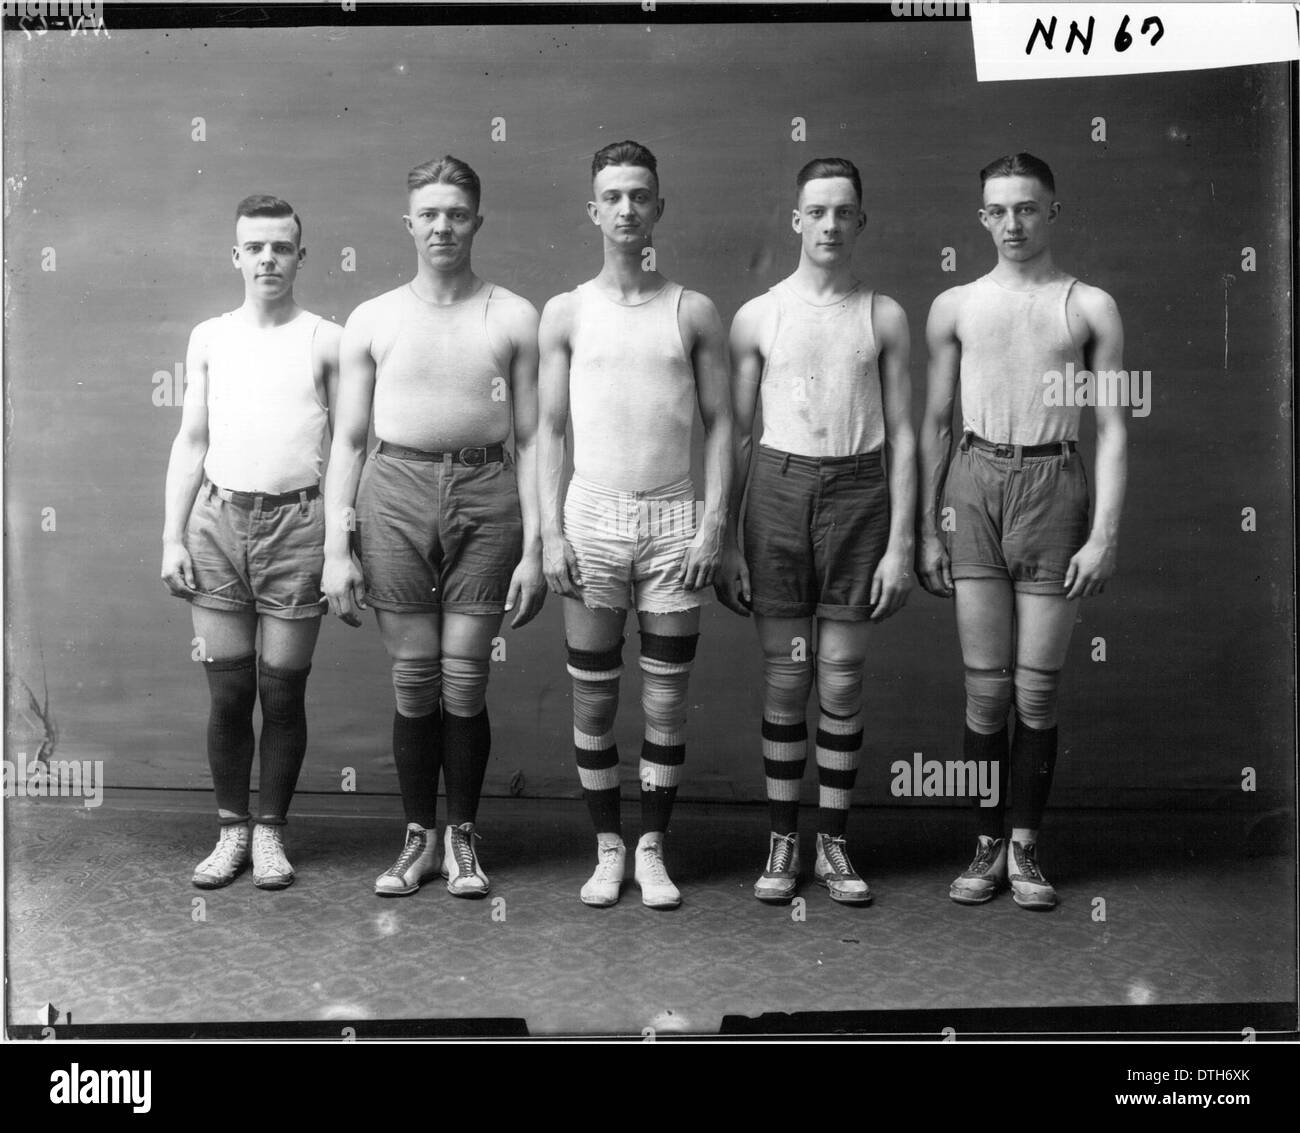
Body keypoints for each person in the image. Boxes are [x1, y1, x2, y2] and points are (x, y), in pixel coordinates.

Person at [322, 156, 545, 898]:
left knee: (466, 676)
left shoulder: (514, 314)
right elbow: (348, 441)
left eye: (457, 212)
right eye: (430, 213)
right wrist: (335, 547)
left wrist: (537, 548)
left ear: (477, 220)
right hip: (395, 486)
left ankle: (463, 836)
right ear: (409, 222)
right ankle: (418, 833)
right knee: (416, 678)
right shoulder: (374, 318)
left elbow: (539, 437)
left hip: (488, 487)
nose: (443, 225)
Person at [916, 152, 1127, 910]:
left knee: (1035, 694)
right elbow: (935, 423)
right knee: (984, 693)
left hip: (1053, 483)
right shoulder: (957, 305)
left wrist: (1103, 532)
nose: (1013, 223)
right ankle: (985, 841)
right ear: (982, 217)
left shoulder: (1088, 305)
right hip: (973, 484)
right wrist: (929, 528)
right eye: (999, 210)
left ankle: (1027, 845)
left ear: (1053, 211)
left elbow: (1111, 427)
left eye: (1027, 208)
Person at [538, 140, 732, 909]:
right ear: (593, 210)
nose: (626, 209)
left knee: (664, 699)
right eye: (612, 196)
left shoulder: (693, 309)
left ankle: (652, 845)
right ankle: (606, 844)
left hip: (674, 515)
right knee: (592, 697)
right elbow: (548, 430)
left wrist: (714, 523)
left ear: (659, 207)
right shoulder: (567, 311)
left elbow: (721, 424)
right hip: (591, 515)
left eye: (639, 195)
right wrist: (552, 532)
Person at [718, 158, 915, 905]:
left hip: (860, 491)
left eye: (844, 212)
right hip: (778, 489)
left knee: (840, 675)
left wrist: (901, 541)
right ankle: (781, 839)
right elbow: (736, 435)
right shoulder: (759, 314)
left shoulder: (883, 314)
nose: (830, 224)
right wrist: (730, 537)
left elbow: (906, 433)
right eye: (817, 211)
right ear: (795, 219)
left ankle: (832, 840)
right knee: (785, 676)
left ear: (861, 221)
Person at [162, 194, 342, 891]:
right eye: (256, 247)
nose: (269, 258)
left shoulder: (327, 337)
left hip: (297, 526)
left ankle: (271, 833)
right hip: (217, 523)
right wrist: (171, 535)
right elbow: (193, 439)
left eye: (282, 246)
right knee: (230, 695)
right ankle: (231, 830)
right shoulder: (210, 336)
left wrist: (339, 543)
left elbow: (350, 447)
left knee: (284, 693)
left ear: (301, 254)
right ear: (236, 255)